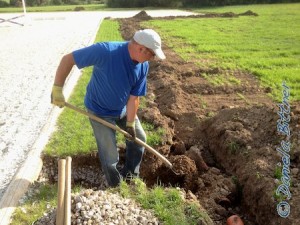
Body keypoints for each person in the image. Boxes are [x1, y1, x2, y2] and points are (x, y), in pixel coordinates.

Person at [51, 29, 166, 187]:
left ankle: (131, 178)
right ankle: (115, 185)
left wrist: (130, 124)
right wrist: (57, 89)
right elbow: (68, 59)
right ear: (141, 49)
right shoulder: (106, 51)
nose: (152, 59)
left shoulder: (142, 65)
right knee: (110, 154)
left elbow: (134, 98)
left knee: (139, 139)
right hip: (100, 111)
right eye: (152, 55)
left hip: (123, 110)